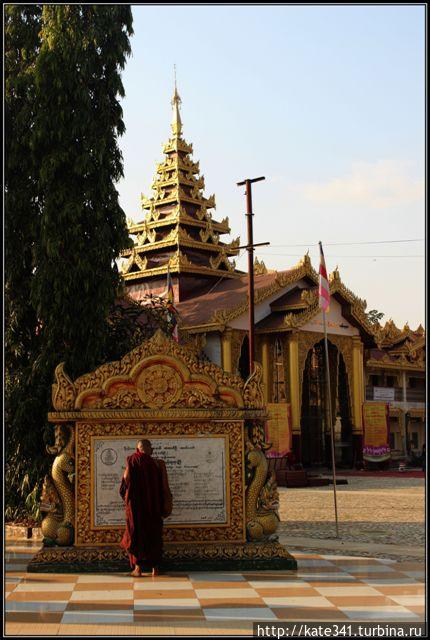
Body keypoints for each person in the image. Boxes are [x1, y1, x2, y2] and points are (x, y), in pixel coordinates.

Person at [120, 439, 172, 577]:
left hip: (136, 509)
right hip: (154, 507)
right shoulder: (158, 463)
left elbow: (126, 479)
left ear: (138, 450)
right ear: (147, 449)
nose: (153, 450)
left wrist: (125, 494)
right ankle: (155, 569)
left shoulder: (132, 461)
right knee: (154, 535)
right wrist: (165, 504)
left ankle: (138, 569)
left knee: (137, 535)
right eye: (151, 447)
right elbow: (165, 487)